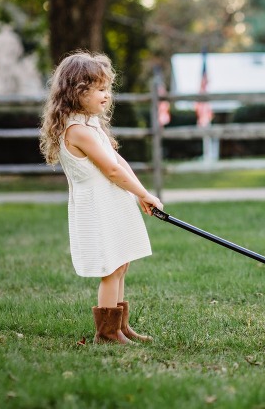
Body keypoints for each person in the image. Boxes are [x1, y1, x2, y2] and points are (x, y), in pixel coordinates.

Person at [39, 51, 163, 345]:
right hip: (97, 208)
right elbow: (109, 169)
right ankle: (107, 333)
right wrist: (141, 193)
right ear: (76, 93)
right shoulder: (77, 130)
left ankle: (120, 326)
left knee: (122, 263)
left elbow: (118, 162)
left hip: (114, 203)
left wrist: (142, 193)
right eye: (97, 90)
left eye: (107, 88)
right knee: (110, 267)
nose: (106, 96)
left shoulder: (93, 125)